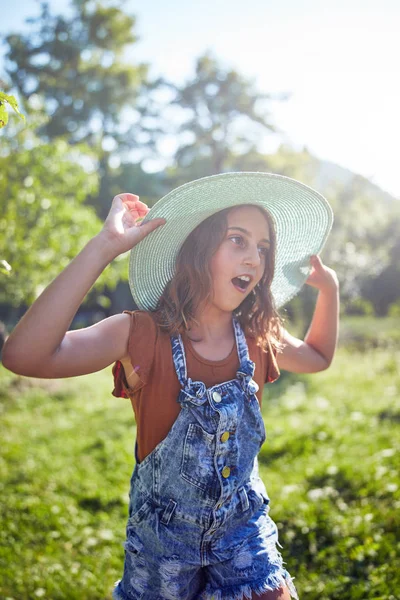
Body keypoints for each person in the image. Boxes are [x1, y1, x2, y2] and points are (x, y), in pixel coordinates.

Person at [3, 172, 339, 600]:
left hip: (243, 533)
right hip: (162, 549)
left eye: (263, 248)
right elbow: (23, 356)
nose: (254, 258)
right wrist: (104, 247)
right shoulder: (139, 334)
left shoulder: (256, 336)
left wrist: (329, 289)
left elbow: (317, 357)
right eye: (237, 240)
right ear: (198, 249)